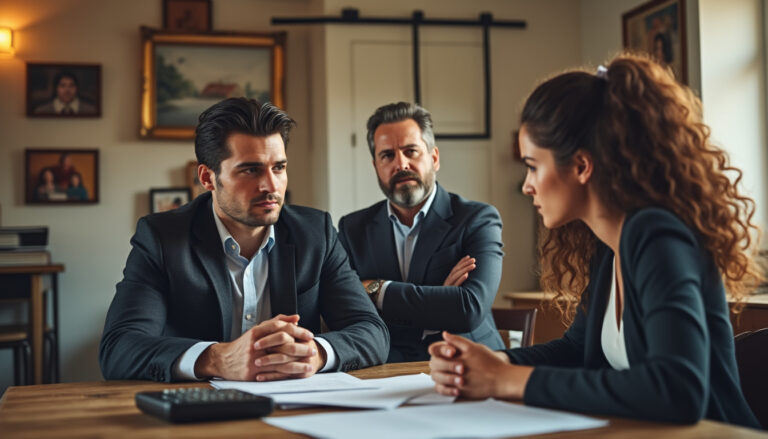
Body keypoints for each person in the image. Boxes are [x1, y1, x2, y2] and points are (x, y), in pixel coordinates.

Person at [428, 53, 762, 428]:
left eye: (533, 166)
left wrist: (508, 380)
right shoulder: (609, 246)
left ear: (582, 166)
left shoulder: (656, 235)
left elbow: (678, 389)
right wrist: (495, 363)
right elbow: (577, 351)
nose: (526, 185)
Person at [99, 98, 389, 382]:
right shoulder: (162, 238)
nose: (271, 186)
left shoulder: (316, 233)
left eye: (279, 167)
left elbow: (371, 331)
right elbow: (119, 348)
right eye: (250, 170)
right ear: (208, 178)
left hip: (296, 409)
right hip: (197, 413)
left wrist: (316, 354)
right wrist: (218, 359)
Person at [337, 102, 504, 363]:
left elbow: (469, 307)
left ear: (434, 158)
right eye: (387, 155)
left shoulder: (478, 219)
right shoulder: (352, 229)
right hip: (386, 370)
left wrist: (375, 289)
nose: (400, 163)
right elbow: (344, 310)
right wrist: (441, 299)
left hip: (468, 365)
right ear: (376, 167)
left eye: (410, 151)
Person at [33, 71, 97, 115]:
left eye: (71, 86)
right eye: (62, 86)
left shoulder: (91, 110)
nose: (67, 90)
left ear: (77, 88)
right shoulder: (41, 111)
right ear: (56, 88)